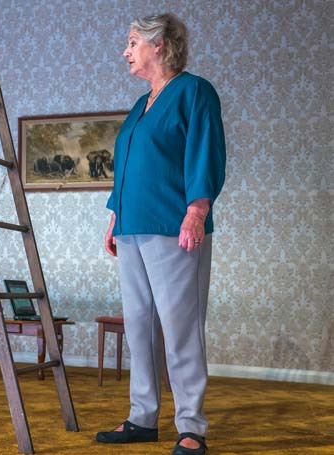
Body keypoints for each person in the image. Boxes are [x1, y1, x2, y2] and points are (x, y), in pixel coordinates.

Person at [95, 14, 225, 455]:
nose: (125, 51)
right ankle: (142, 417)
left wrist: (197, 209)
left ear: (160, 45)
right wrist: (115, 217)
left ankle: (191, 426)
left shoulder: (194, 92)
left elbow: (204, 152)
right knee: (140, 328)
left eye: (132, 42)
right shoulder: (140, 104)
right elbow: (127, 168)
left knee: (180, 327)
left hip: (173, 227)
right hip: (132, 228)